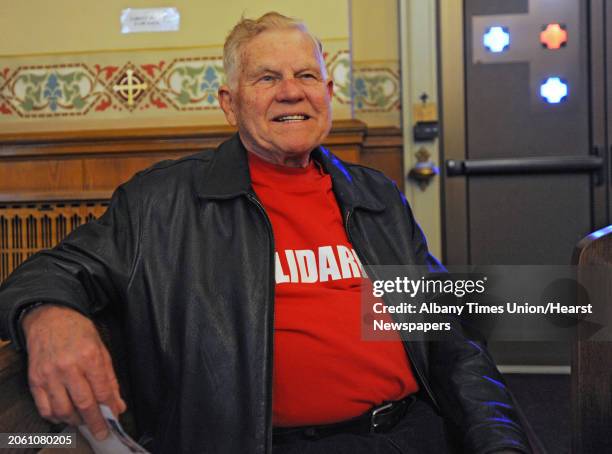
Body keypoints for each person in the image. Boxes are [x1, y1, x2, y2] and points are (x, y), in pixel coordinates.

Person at [0, 12, 530, 454]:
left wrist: (500, 442)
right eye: (267, 78)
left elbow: (452, 342)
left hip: (408, 435)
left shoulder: (377, 197)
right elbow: (49, 271)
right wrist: (49, 316)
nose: (290, 92)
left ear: (327, 92)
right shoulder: (161, 202)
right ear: (229, 103)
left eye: (305, 76)